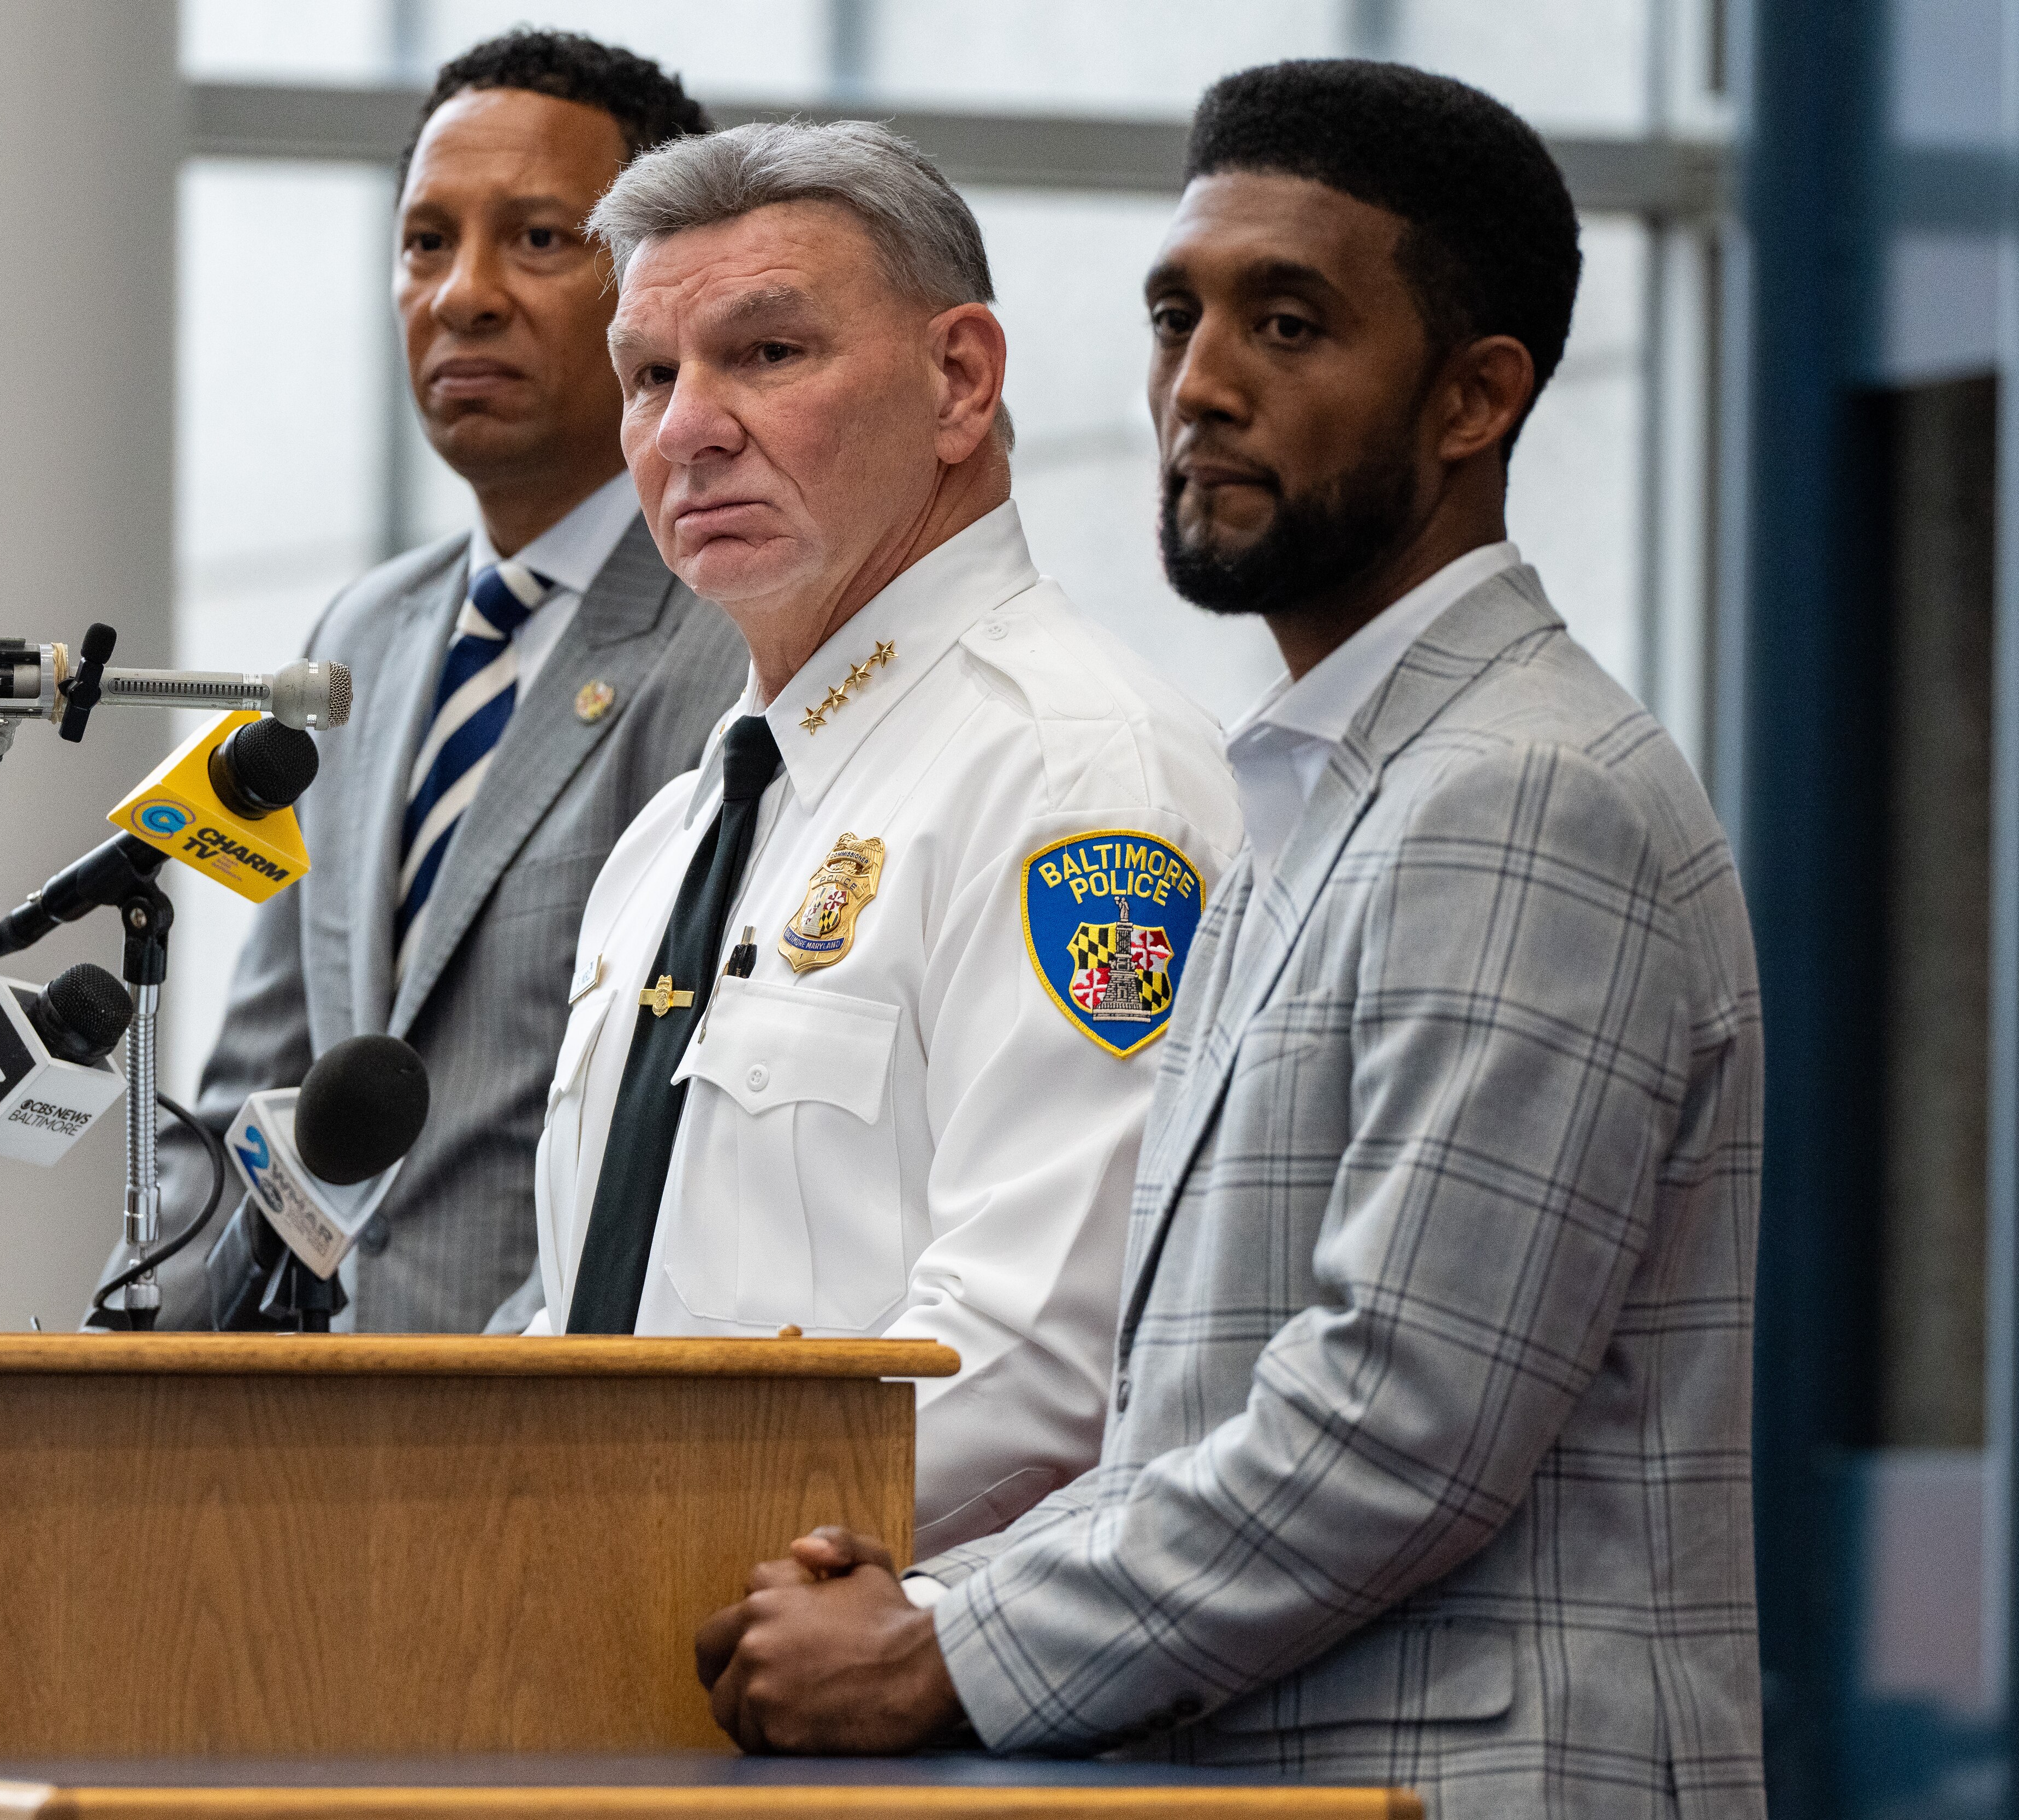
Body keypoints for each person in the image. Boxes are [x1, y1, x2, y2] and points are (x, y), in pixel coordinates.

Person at [690, 61, 1766, 1820]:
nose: (1200, 385)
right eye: (1175, 316)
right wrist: (931, 1597)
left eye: (1289, 323)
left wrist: (939, 1652)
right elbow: (1189, 1421)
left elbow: (1393, 1419)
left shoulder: (1523, 790)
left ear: (1475, 396)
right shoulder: (1322, 784)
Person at [522, 121, 1242, 1559]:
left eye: (769, 355)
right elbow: (593, 1312)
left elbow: (1037, 1359)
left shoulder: (1073, 782)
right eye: (651, 376)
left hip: (898, 1705)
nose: (687, 429)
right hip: (616, 1669)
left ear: (958, 379)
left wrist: (626, 1548)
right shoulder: (679, 832)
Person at [109, 32, 746, 1333]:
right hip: (297, 1442)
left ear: (659, 292)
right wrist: (125, 1358)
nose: (462, 295)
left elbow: (684, 1142)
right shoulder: (361, 635)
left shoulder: (730, 641)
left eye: (538, 240)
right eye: (423, 242)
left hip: (538, 1441)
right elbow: (253, 1084)